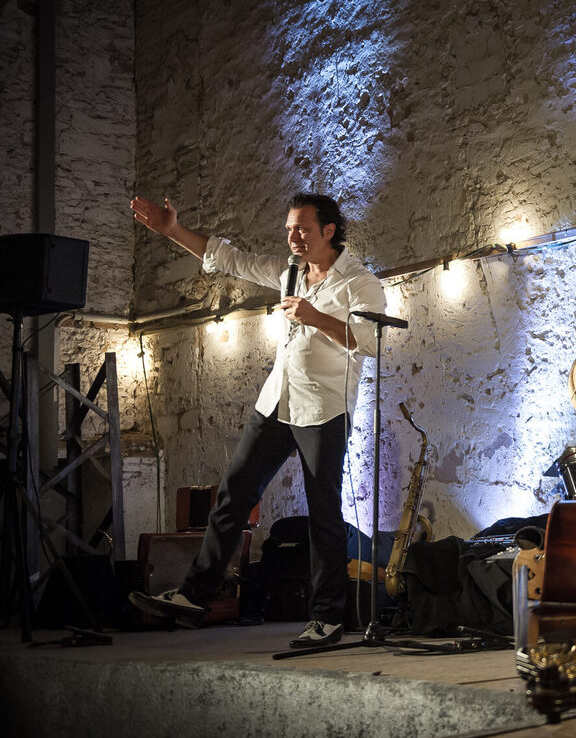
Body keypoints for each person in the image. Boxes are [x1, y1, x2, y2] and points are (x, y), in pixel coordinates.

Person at [127, 192, 387, 648]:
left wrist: (315, 316)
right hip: (277, 403)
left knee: (323, 513)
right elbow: (232, 259)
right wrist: (173, 231)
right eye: (289, 228)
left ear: (329, 231)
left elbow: (368, 342)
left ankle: (327, 618)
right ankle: (195, 596)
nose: (293, 237)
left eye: (303, 228)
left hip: (325, 409)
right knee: (234, 493)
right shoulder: (289, 271)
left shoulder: (360, 284)